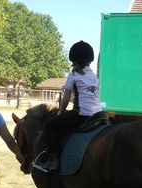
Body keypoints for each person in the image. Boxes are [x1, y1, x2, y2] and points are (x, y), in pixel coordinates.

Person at [34, 40, 102, 172]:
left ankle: (52, 160)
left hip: (81, 114)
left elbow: (65, 100)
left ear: (74, 60)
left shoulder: (73, 75)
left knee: (49, 126)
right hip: (98, 114)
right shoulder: (95, 76)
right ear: (90, 60)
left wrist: (60, 112)